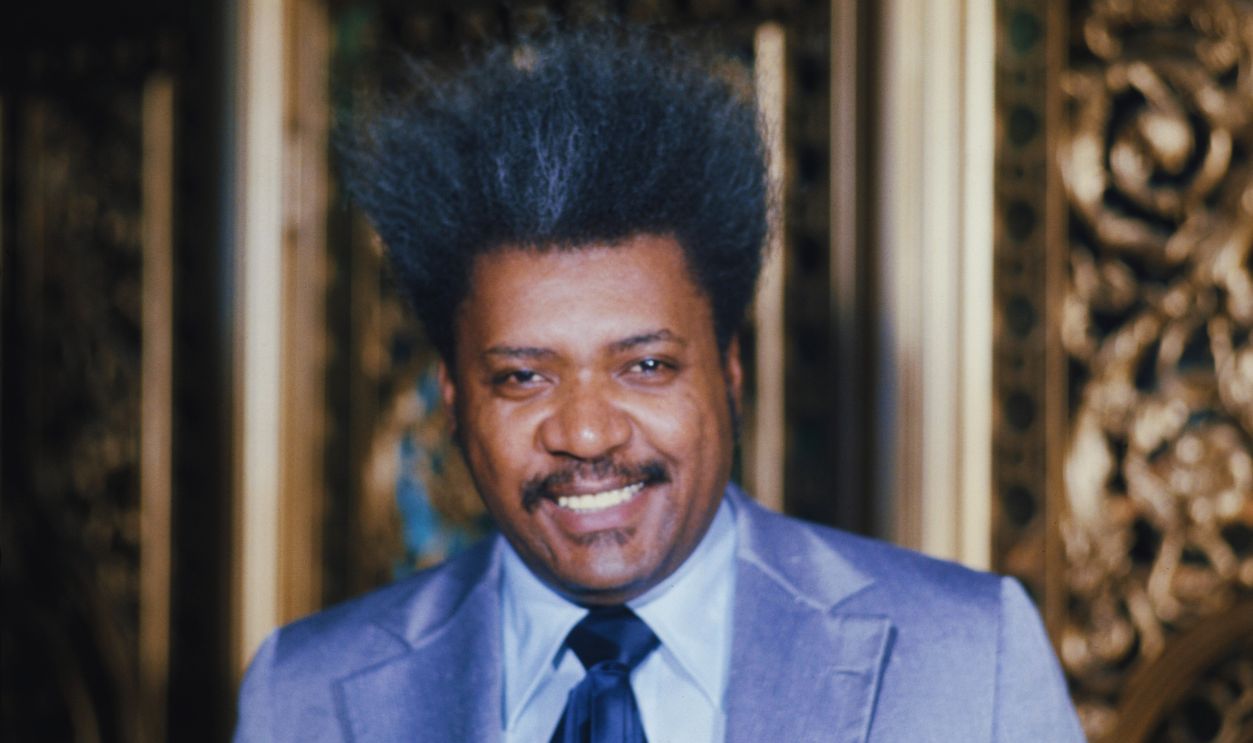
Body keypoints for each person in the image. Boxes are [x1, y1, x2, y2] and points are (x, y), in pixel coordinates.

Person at [234, 23, 1084, 742]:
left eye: (645, 365)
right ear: (453, 404)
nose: (589, 432)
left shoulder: (970, 660)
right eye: (523, 377)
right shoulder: (301, 695)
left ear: (731, 372)